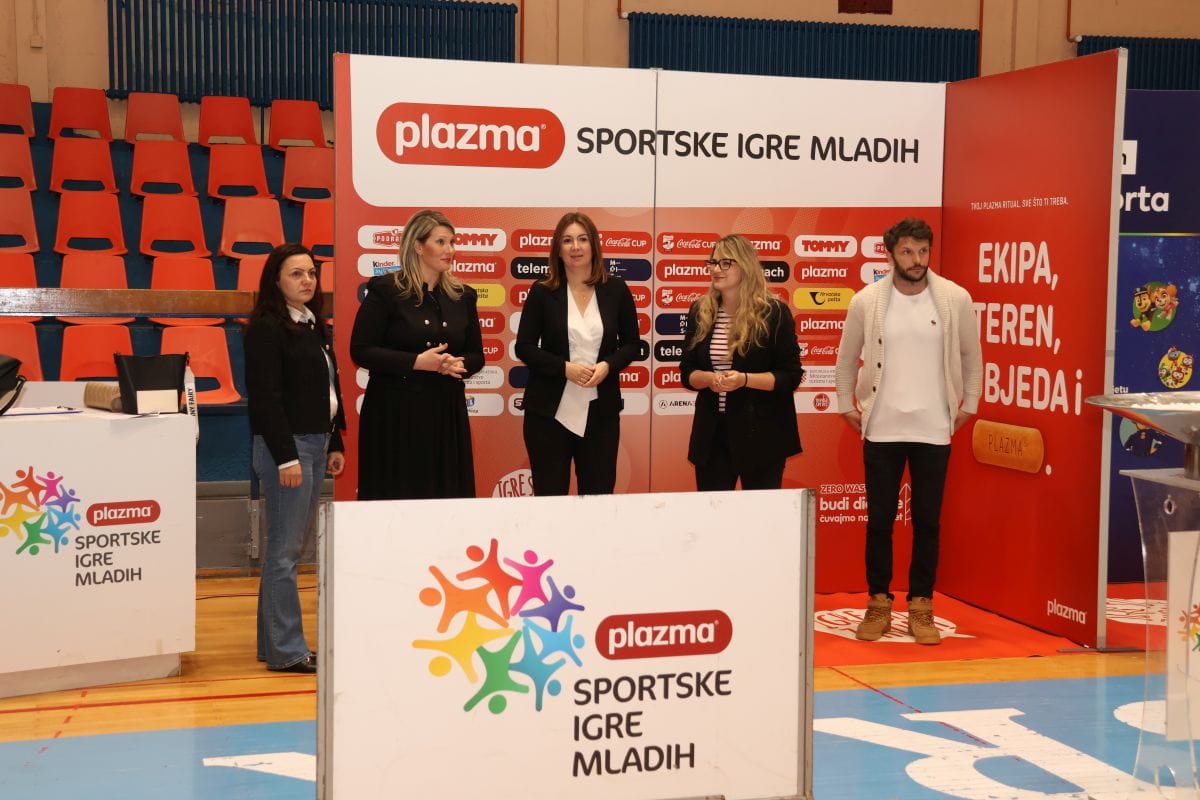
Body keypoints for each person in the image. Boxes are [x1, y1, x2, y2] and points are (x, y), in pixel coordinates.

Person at [834, 217, 982, 646]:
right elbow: (846, 358)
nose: (916, 260)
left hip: (934, 428)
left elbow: (972, 356)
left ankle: (921, 606)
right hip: (882, 427)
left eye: (922, 251)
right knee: (879, 521)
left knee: (927, 522)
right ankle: (878, 603)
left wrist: (969, 404)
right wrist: (845, 403)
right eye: (907, 252)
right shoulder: (867, 301)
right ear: (890, 254)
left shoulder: (954, 298)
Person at [244, 242, 346, 673]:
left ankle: (273, 645)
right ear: (276, 280)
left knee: (286, 550)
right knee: (286, 553)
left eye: (311, 273)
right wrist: (286, 457)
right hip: (288, 448)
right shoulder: (267, 328)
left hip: (316, 442)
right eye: (296, 274)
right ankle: (287, 651)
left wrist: (335, 441)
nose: (307, 281)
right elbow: (265, 399)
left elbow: (328, 387)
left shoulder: (312, 323)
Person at [350, 209, 483, 500]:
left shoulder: (463, 296)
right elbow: (361, 350)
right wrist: (417, 363)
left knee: (445, 497)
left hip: (445, 411)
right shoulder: (386, 290)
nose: (450, 250)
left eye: (452, 242)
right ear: (418, 246)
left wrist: (455, 364)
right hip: (395, 413)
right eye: (441, 242)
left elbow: (477, 355)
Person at [515, 211, 639, 495]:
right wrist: (564, 368)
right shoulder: (542, 292)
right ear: (557, 249)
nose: (575, 247)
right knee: (550, 499)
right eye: (567, 240)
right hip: (548, 415)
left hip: (600, 415)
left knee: (598, 498)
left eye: (582, 239)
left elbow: (632, 344)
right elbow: (524, 347)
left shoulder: (616, 289)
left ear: (594, 245)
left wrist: (608, 366)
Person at [679, 234, 804, 490]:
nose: (716, 269)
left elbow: (790, 376)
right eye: (713, 262)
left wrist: (744, 380)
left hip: (762, 434)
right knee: (713, 511)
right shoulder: (700, 311)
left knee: (759, 513)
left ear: (745, 266)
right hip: (712, 436)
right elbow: (687, 371)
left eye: (726, 263)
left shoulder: (774, 313)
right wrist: (708, 379)